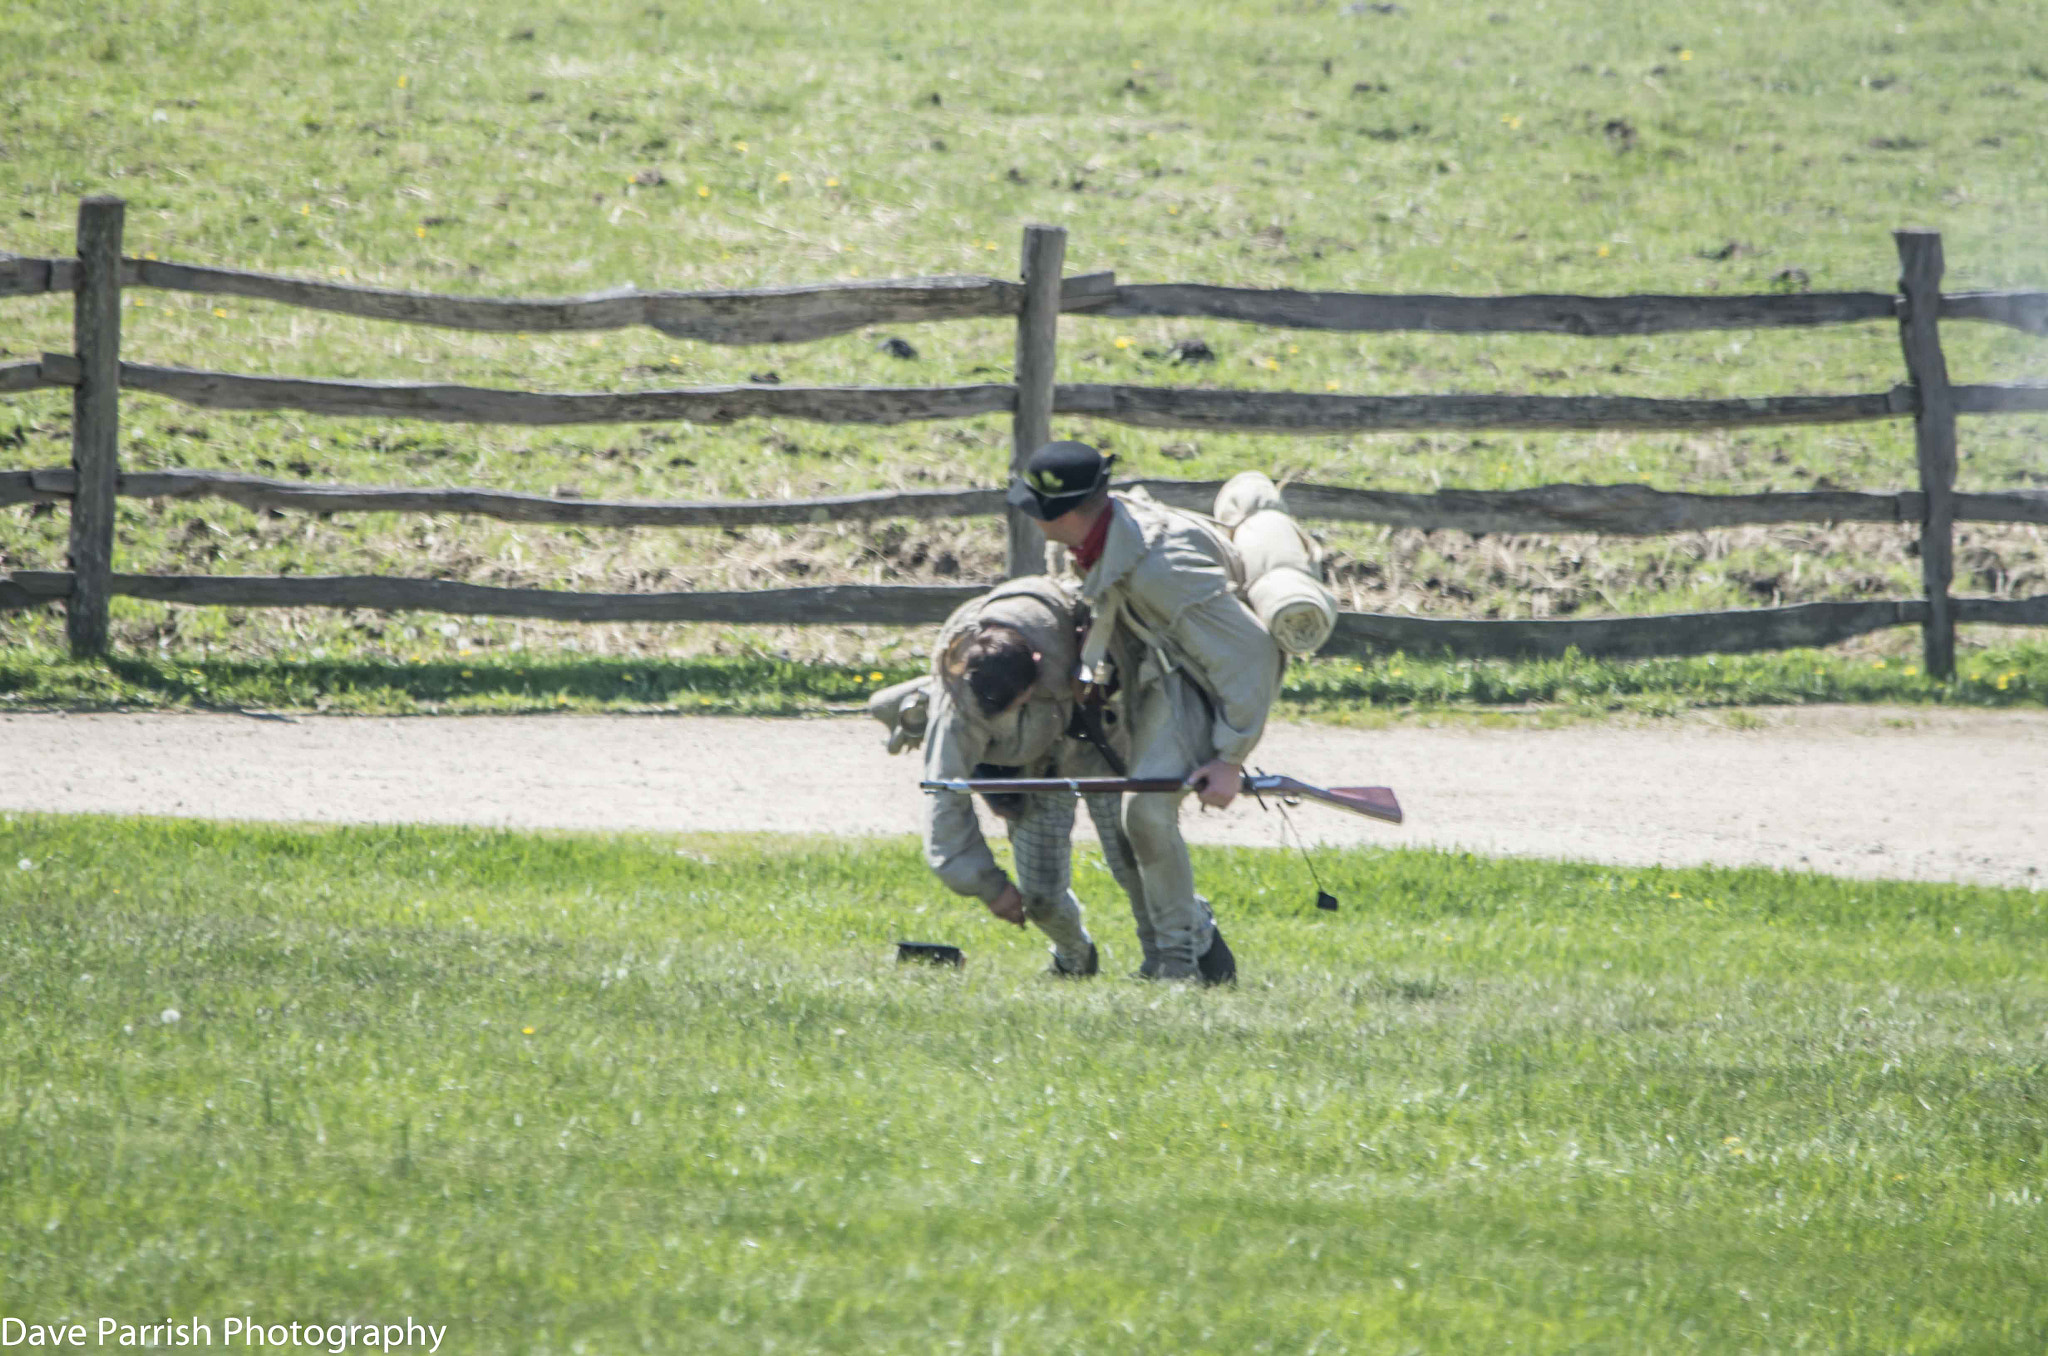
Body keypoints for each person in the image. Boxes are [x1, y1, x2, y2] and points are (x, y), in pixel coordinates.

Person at [1008, 441, 1283, 984]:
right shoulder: (1105, 536)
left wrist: (1230, 757)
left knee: (1148, 814)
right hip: (1167, 672)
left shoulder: (1161, 569)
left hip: (1199, 684)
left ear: (1060, 513)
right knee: (1141, 815)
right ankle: (1177, 956)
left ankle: (1180, 965)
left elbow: (1253, 653)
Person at [867, 575, 1147, 977]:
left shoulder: (1083, 635)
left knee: (1136, 865)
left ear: (1036, 667)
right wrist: (989, 886)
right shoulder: (960, 704)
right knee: (1041, 895)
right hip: (1034, 774)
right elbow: (945, 793)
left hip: (1104, 749)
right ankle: (1073, 960)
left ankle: (1174, 956)